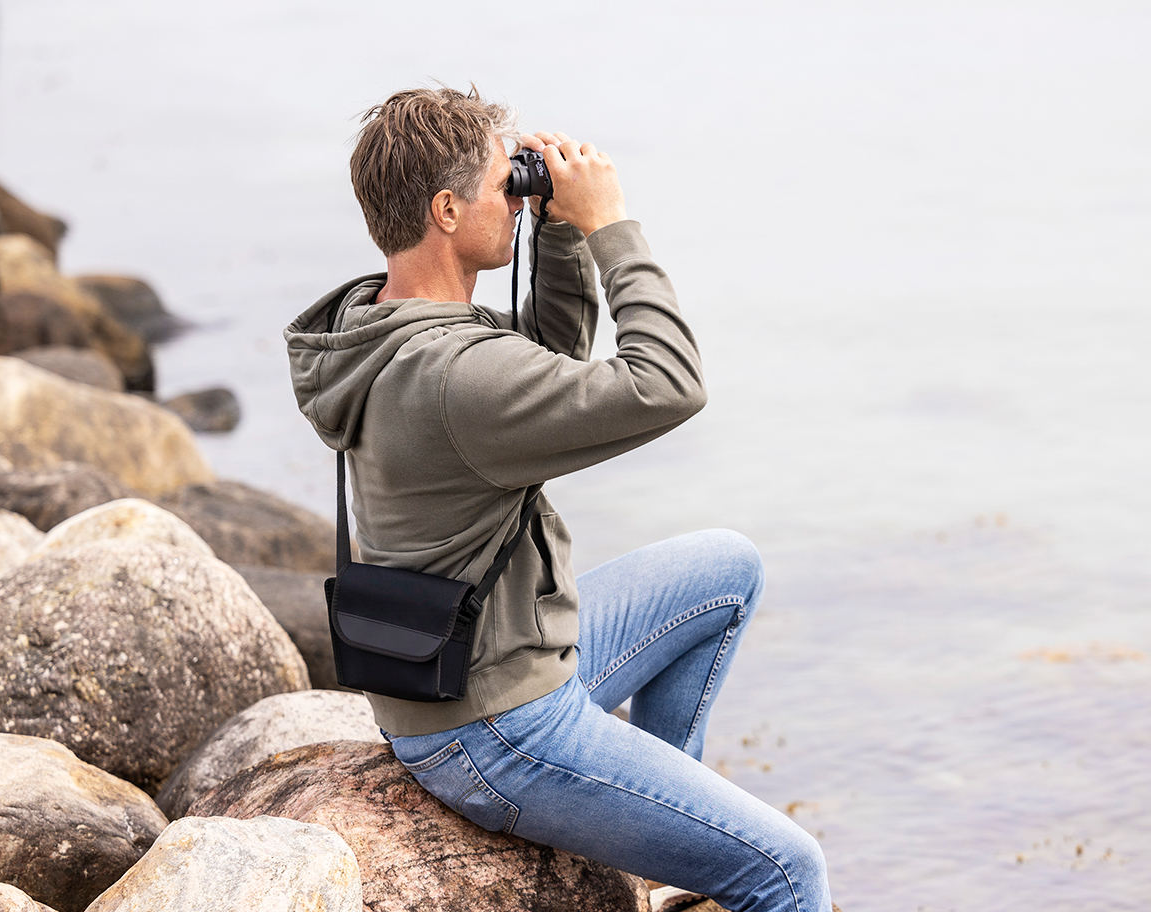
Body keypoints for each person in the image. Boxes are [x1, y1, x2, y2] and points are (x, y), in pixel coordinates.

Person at [285, 86, 832, 912]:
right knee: (789, 869)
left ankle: (662, 859)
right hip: (496, 728)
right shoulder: (455, 375)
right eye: (505, 186)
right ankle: (687, 846)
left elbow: (545, 368)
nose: (517, 198)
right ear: (444, 208)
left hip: (475, 668)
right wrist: (611, 224)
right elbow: (668, 385)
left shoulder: (382, 328)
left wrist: (558, 230)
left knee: (727, 567)